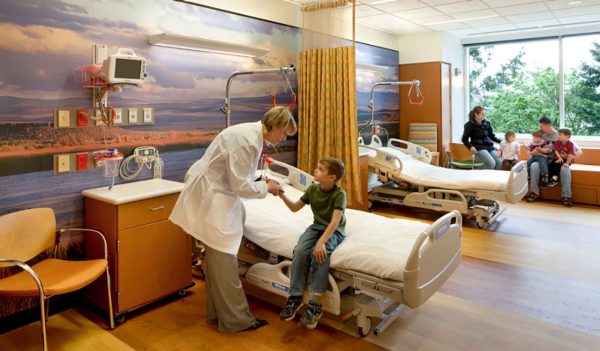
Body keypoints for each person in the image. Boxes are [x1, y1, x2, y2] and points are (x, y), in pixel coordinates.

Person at [169, 106, 296, 332]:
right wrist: (266, 188)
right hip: (213, 198)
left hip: (218, 193)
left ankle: (216, 315)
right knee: (226, 265)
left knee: (218, 265)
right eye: (284, 133)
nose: (283, 138)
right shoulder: (247, 141)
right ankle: (236, 321)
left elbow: (241, 175)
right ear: (275, 125)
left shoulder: (250, 135)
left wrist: (262, 182)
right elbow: (241, 186)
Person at [277, 158, 347, 330]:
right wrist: (281, 193)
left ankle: (315, 304)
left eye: (320, 169)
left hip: (333, 229)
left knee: (319, 255)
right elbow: (294, 207)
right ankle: (294, 298)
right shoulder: (313, 189)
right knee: (300, 251)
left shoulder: (339, 194)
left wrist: (321, 242)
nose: (316, 170)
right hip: (316, 226)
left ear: (331, 177)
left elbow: (335, 222)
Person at [526, 116, 581, 206]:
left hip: (558, 161)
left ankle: (566, 196)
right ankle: (534, 193)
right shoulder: (540, 135)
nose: (540, 128)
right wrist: (533, 152)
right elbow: (530, 149)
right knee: (534, 166)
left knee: (565, 169)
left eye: (542, 126)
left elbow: (578, 151)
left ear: (548, 125)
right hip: (543, 160)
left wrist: (566, 156)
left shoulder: (560, 135)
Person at [547, 128, 576, 200]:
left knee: (559, 166)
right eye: (558, 135)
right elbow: (556, 151)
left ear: (567, 136)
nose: (558, 136)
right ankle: (550, 179)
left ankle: (554, 179)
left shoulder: (570, 144)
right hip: (558, 158)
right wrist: (559, 158)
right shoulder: (557, 142)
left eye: (560, 135)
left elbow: (570, 155)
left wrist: (567, 163)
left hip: (567, 160)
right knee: (551, 165)